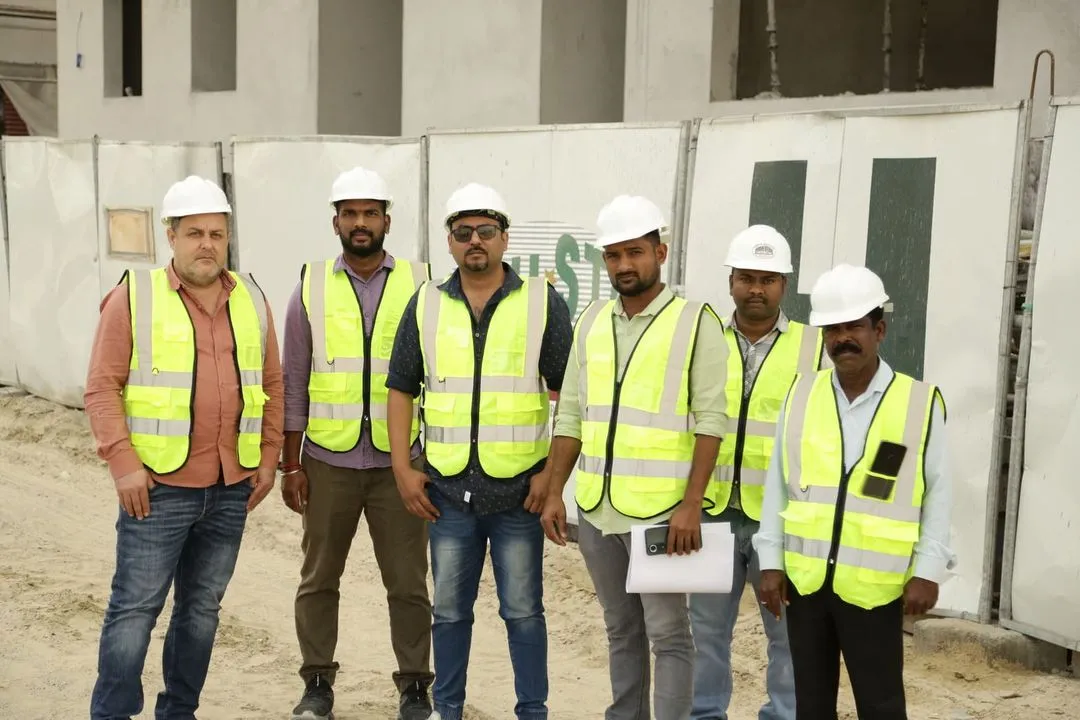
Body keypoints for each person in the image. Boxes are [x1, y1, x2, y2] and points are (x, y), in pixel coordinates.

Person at [84, 175, 283, 719]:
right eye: (194, 233)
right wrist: (123, 464)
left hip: (229, 489)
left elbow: (272, 381)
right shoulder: (134, 296)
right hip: (158, 489)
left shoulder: (252, 299)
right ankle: (113, 714)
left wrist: (268, 459)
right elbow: (102, 386)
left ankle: (179, 712)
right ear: (170, 236)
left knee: (200, 611)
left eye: (217, 234)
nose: (207, 245)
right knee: (135, 610)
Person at [385, 182, 573, 720]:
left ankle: (531, 711)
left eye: (485, 232)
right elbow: (401, 386)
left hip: (520, 494)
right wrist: (402, 468)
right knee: (447, 613)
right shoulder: (425, 304)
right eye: (463, 232)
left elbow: (572, 398)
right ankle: (449, 710)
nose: (475, 242)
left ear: (504, 239)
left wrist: (552, 480)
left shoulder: (540, 301)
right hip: (446, 493)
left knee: (522, 612)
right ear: (449, 242)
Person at [540, 194, 729, 720]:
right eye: (614, 255)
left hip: (662, 515)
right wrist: (556, 491)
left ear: (660, 252)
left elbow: (713, 423)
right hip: (598, 511)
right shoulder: (593, 321)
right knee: (620, 629)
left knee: (668, 635)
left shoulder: (696, 322)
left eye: (635, 253)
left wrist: (691, 505)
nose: (624, 265)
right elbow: (572, 416)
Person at [755, 264, 955, 720]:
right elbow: (778, 485)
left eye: (854, 327)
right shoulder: (801, 395)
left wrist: (928, 570)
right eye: (833, 329)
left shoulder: (919, 403)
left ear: (878, 329)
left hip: (875, 589)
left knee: (881, 704)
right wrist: (771, 562)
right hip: (806, 583)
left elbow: (938, 492)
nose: (843, 338)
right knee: (812, 704)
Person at [280, 167, 434, 720]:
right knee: (319, 578)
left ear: (387, 220)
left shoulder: (422, 281)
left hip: (402, 464)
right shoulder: (311, 284)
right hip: (327, 461)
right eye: (350, 213)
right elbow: (293, 376)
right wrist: (288, 464)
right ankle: (317, 684)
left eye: (371, 213)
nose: (361, 223)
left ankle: (416, 686)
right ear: (336, 222)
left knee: (409, 583)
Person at [689, 225, 827, 720]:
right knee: (704, 635)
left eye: (768, 279)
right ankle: (705, 714)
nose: (756, 289)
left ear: (784, 286)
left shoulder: (815, 349)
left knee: (789, 638)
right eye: (746, 277)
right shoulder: (701, 339)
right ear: (730, 282)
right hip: (708, 513)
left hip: (781, 523)